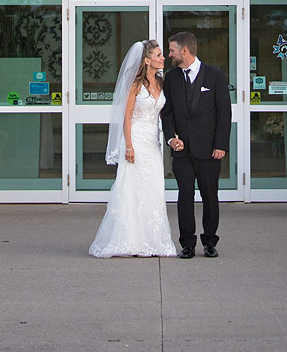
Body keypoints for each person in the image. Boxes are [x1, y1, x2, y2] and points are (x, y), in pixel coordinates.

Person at [88, 39, 178, 258]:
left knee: (153, 189)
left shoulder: (162, 82)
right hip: (135, 139)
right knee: (131, 190)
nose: (163, 57)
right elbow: (126, 117)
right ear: (147, 60)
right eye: (158, 55)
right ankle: (129, 240)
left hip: (152, 142)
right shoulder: (134, 85)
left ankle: (154, 240)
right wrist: (128, 146)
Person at [161, 31, 231, 258]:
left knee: (210, 196)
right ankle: (187, 243)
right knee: (185, 196)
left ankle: (210, 242)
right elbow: (167, 112)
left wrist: (221, 145)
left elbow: (224, 114)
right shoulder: (170, 78)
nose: (169, 55)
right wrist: (171, 137)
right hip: (182, 151)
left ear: (184, 50)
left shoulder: (215, 76)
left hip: (210, 150)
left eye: (172, 50)